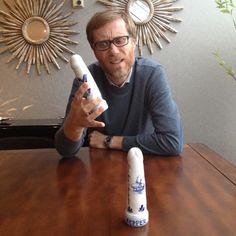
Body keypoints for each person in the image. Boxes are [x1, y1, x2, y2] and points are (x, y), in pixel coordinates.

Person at [55, 9, 183, 158]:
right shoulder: (85, 80)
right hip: (99, 169)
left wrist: (109, 141)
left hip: (144, 167)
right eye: (103, 44)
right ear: (94, 51)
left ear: (134, 42)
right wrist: (74, 125)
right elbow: (65, 151)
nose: (113, 51)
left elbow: (172, 142)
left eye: (120, 40)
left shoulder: (152, 75)